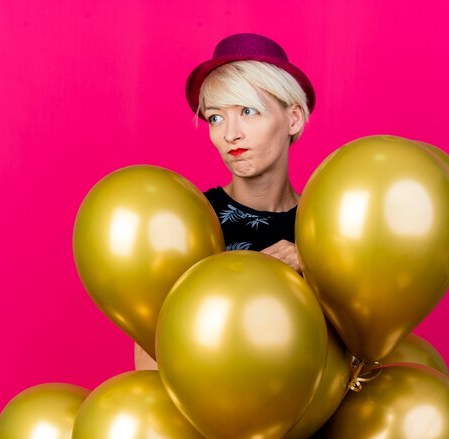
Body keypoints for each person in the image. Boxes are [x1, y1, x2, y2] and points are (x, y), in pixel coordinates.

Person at [134, 33, 315, 370]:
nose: (230, 134)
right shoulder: (190, 222)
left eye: (248, 111)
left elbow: (359, 361)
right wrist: (250, 277)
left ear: (293, 118)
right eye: (216, 117)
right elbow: (151, 363)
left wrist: (322, 274)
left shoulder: (328, 223)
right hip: (212, 418)